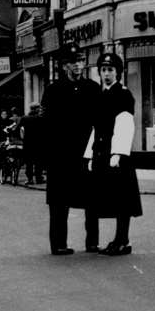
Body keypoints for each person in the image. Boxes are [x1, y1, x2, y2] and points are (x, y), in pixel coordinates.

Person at [41, 47, 102, 255]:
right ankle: (58, 244)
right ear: (64, 65)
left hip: (86, 153)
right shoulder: (53, 90)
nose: (77, 65)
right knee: (59, 201)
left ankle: (92, 242)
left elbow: (99, 121)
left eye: (80, 60)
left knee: (92, 198)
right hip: (61, 154)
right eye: (73, 62)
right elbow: (47, 124)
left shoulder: (93, 88)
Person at [84, 54, 142, 256]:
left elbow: (125, 125)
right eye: (103, 70)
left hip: (116, 155)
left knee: (121, 199)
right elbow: (96, 128)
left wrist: (117, 154)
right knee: (107, 197)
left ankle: (123, 240)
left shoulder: (123, 95)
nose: (106, 74)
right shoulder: (100, 95)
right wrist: (90, 155)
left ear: (118, 72)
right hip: (100, 153)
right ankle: (117, 240)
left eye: (110, 70)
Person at [21, 104, 45, 186]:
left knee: (29, 162)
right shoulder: (41, 118)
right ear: (37, 109)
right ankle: (38, 178)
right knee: (39, 161)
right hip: (39, 143)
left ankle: (30, 179)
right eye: (39, 108)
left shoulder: (24, 118)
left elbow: (18, 128)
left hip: (28, 143)